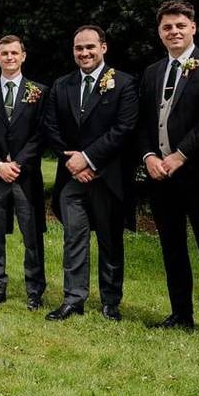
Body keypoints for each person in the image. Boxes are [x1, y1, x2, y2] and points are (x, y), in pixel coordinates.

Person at [137, 0, 199, 345]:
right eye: (167, 27)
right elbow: (144, 122)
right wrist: (149, 156)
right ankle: (181, 313)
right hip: (160, 176)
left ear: (193, 27)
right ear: (160, 33)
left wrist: (180, 155)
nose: (174, 31)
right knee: (171, 246)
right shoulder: (151, 73)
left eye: (180, 25)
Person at [42, 25, 138, 322]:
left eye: (90, 47)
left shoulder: (124, 83)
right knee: (74, 239)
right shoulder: (62, 85)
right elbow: (50, 126)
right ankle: (74, 298)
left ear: (103, 48)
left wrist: (89, 160)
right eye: (79, 48)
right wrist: (71, 161)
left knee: (110, 240)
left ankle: (110, 301)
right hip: (71, 179)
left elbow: (124, 129)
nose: (84, 53)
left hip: (105, 177)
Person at [0, 35, 48, 311]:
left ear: (23, 56)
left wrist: (18, 163)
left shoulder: (39, 92)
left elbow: (42, 133)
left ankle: (35, 290)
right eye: (4, 53)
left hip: (26, 177)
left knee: (32, 237)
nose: (9, 57)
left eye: (14, 53)